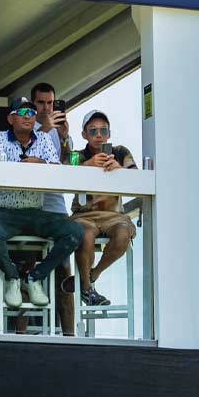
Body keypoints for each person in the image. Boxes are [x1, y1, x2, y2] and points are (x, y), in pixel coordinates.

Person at [0, 98, 83, 311]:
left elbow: (56, 170)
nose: (28, 115)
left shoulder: (45, 139)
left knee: (75, 231)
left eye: (31, 111)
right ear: (11, 118)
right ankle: (12, 278)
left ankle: (35, 278)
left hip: (36, 211)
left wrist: (42, 164)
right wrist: (30, 167)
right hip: (4, 210)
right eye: (22, 112)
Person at [64, 108, 137, 311]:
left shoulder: (120, 152)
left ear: (109, 134)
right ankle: (87, 288)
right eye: (93, 130)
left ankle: (92, 275)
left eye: (103, 131)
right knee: (84, 235)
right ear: (84, 134)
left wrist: (119, 170)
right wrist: (87, 165)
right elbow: (62, 174)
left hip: (114, 215)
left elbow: (136, 179)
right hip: (84, 214)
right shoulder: (77, 155)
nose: (98, 135)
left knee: (123, 234)